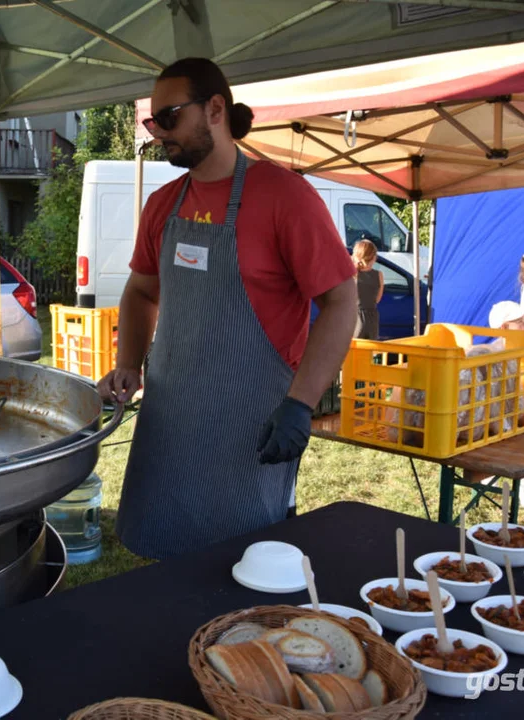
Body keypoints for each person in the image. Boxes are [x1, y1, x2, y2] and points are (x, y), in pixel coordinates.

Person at [97, 58, 358, 560]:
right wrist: (128, 363)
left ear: (215, 109)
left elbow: (342, 302)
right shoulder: (164, 204)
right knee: (161, 566)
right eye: (153, 124)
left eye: (168, 118)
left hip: (251, 420)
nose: (159, 134)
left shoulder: (284, 196)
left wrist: (301, 404)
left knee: (242, 568)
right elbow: (140, 292)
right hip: (170, 418)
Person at [474, 300, 524, 508]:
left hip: (515, 415)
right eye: (520, 322)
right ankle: (499, 480)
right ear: (503, 327)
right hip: (498, 419)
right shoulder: (492, 354)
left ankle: (522, 486)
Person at [351, 240, 383, 340]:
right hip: (372, 317)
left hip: (354, 316)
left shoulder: (352, 274)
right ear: (374, 257)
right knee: (369, 351)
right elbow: (377, 299)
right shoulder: (379, 275)